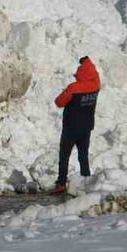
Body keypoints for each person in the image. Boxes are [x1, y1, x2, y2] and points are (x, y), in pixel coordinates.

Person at [52, 56, 101, 195]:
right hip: (86, 126)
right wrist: (88, 62)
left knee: (64, 155)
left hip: (71, 127)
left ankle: (61, 183)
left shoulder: (74, 88)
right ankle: (86, 181)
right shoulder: (96, 85)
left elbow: (59, 102)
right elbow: (95, 74)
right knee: (83, 155)